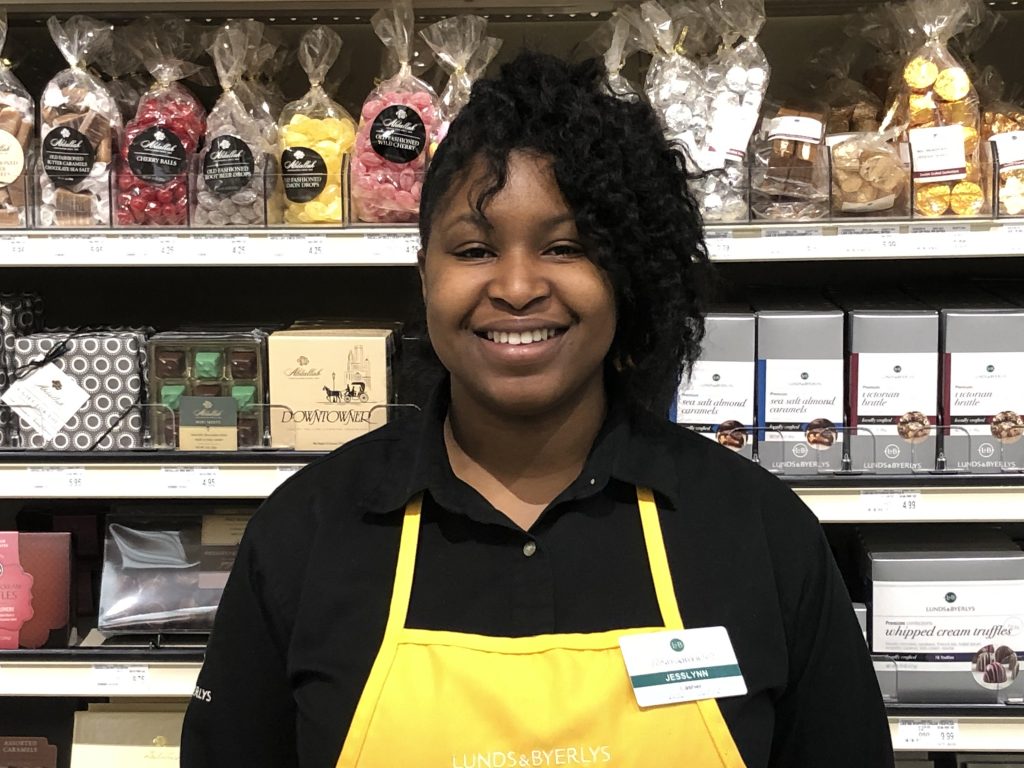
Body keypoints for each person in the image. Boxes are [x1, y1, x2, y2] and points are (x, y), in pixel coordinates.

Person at [181, 52, 894, 767]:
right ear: (426, 275)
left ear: (626, 276)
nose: (517, 286)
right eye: (474, 248)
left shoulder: (759, 535)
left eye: (565, 246)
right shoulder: (304, 537)